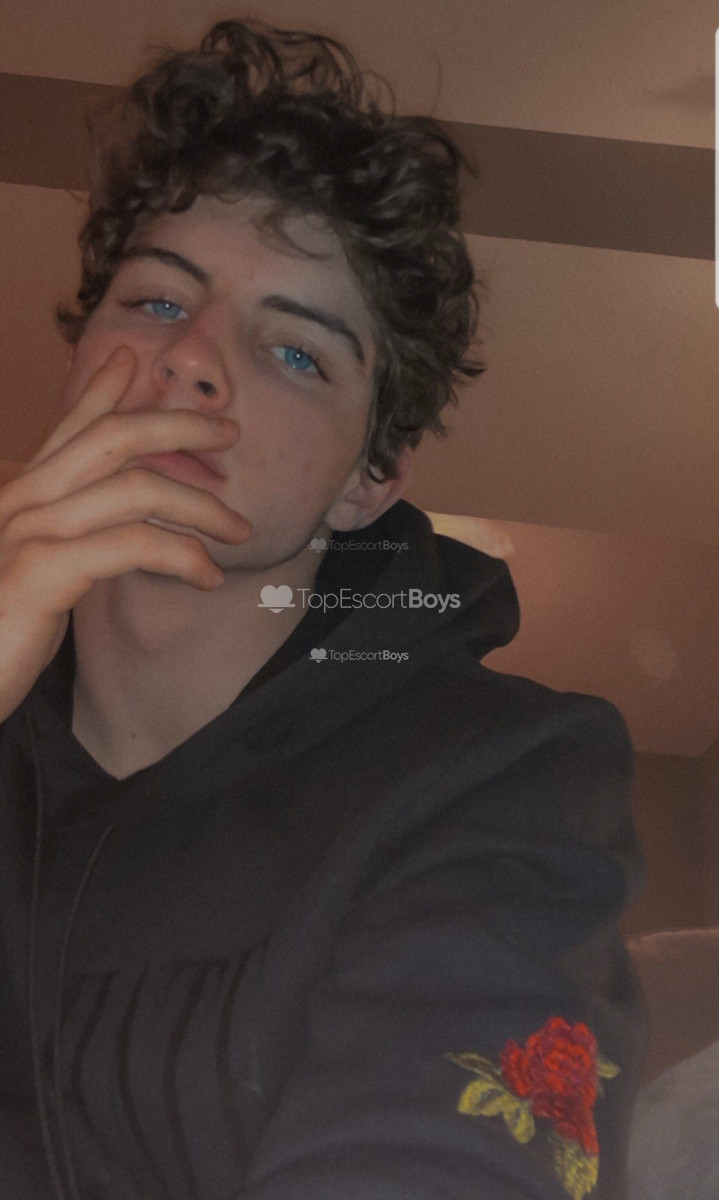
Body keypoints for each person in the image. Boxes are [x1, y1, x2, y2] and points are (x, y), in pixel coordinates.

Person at [0, 19, 645, 1200]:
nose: (195, 359)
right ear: (83, 348)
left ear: (368, 481)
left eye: (297, 352)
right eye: (156, 300)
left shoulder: (500, 774)